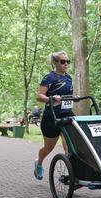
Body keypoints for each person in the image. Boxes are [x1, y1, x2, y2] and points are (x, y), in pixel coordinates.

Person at [34, 51, 74, 180]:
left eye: (68, 61)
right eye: (63, 61)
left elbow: (66, 97)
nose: (66, 64)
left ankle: (71, 172)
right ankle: (39, 163)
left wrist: (74, 98)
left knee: (68, 144)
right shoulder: (49, 78)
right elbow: (39, 96)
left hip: (67, 114)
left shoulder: (69, 78)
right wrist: (51, 98)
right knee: (48, 148)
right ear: (55, 63)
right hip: (51, 117)